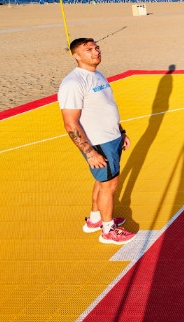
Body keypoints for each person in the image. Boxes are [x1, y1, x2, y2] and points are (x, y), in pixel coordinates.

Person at [58, 38, 136, 245]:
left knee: (102, 182)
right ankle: (108, 230)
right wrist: (90, 152)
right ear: (76, 55)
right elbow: (70, 123)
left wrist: (121, 132)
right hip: (98, 142)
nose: (96, 52)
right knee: (109, 185)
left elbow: (106, 106)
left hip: (112, 138)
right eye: (89, 50)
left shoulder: (97, 75)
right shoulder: (74, 83)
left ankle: (95, 219)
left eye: (97, 48)